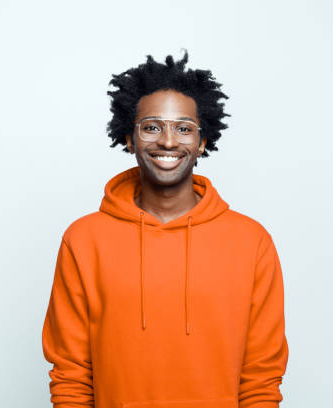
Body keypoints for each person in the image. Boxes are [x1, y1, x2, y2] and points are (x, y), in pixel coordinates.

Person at [42, 51, 289, 408]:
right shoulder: (84, 240)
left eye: (184, 128)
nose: (169, 142)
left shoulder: (252, 242)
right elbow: (71, 375)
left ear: (203, 142)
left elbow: (261, 379)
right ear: (129, 138)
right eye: (152, 127)